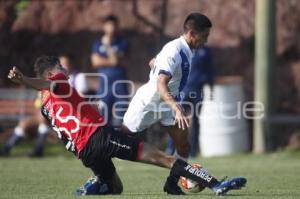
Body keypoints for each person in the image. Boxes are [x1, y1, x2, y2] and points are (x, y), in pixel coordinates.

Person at [7, 55, 246, 196]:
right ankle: (216, 184)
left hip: (84, 153)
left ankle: (96, 185)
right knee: (166, 159)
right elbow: (49, 85)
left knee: (116, 188)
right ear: (51, 73)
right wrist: (26, 80)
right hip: (98, 137)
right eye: (61, 67)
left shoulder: (44, 106)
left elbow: (62, 130)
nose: (65, 71)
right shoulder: (56, 82)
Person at [122, 13, 211, 160]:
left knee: (183, 146)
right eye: (205, 36)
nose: (206, 40)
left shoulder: (186, 49)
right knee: (119, 139)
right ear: (192, 33)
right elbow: (161, 84)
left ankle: (173, 183)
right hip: (151, 101)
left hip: (168, 103)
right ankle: (98, 177)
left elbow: (153, 61)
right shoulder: (175, 50)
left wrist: (157, 65)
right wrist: (177, 108)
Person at [165, 46, 214, 158]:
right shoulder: (180, 49)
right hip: (182, 91)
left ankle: (193, 152)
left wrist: (211, 87)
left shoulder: (205, 51)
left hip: (198, 91)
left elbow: (210, 70)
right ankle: (170, 149)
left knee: (196, 121)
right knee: (176, 120)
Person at [91, 15, 129, 128]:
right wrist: (111, 60)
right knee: (103, 115)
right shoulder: (97, 43)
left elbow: (116, 61)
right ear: (104, 26)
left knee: (121, 115)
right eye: (109, 24)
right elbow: (95, 62)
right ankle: (104, 142)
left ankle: (120, 142)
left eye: (114, 25)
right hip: (104, 85)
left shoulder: (123, 42)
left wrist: (107, 46)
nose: (111, 27)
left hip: (120, 84)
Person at [0, 92, 51, 157]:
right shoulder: (41, 91)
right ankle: (6, 149)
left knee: (42, 121)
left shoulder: (49, 90)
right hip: (41, 117)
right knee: (23, 124)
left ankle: (38, 150)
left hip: (52, 118)